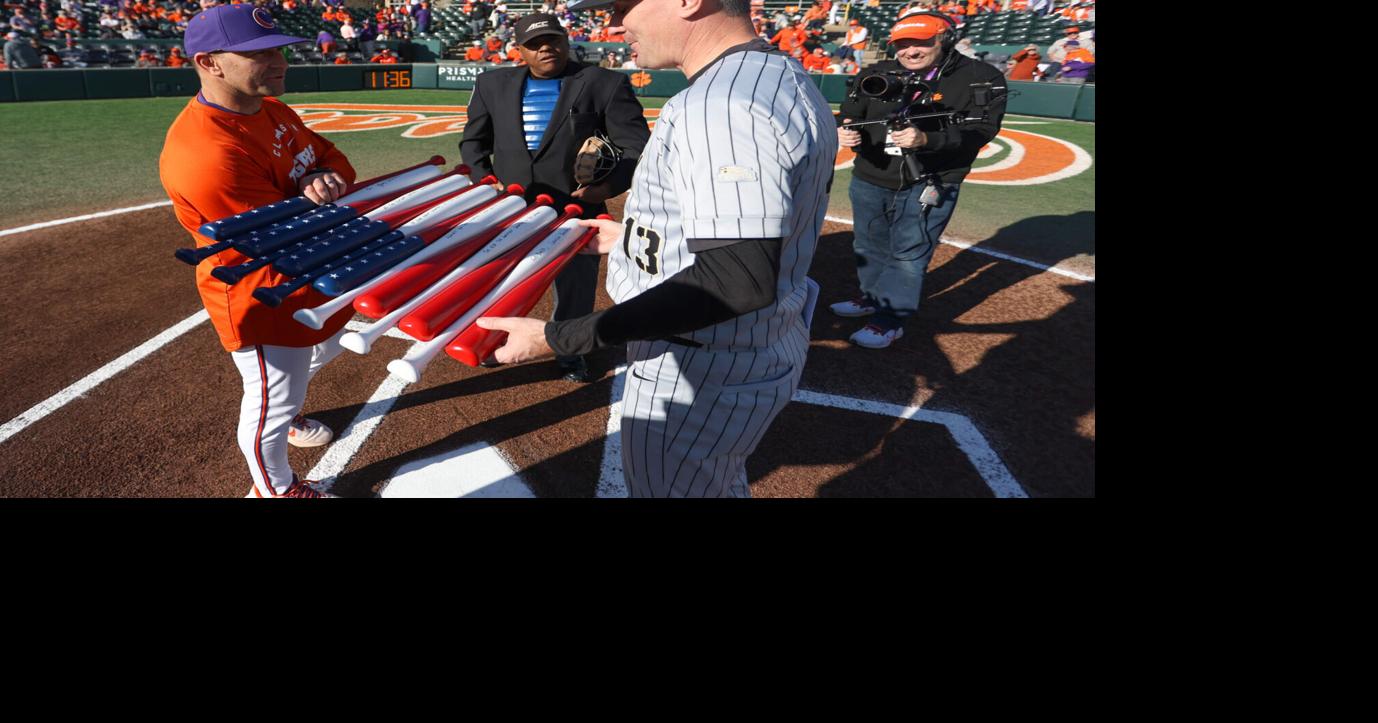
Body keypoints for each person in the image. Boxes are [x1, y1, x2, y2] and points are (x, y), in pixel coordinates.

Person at [476, 0, 837, 498]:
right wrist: (627, 238)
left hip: (698, 359)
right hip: (735, 346)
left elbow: (736, 280)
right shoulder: (771, 75)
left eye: (625, 5)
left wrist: (560, 338)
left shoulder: (721, 104)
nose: (617, 23)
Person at [159, 4, 357, 499]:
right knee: (272, 400)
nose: (279, 62)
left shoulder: (270, 107)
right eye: (258, 53)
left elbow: (333, 158)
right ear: (209, 62)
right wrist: (319, 190)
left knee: (326, 345)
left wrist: (322, 176)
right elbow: (279, 238)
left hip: (309, 268)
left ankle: (288, 416)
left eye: (278, 50)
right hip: (260, 288)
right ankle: (277, 490)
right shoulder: (206, 152)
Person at [459, 12, 650, 383]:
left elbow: (635, 146)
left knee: (576, 287)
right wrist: (485, 181)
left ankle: (569, 350)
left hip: (578, 206)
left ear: (566, 40)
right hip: (511, 207)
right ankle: (492, 339)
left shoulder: (604, 83)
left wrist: (604, 188)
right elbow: (473, 142)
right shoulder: (491, 84)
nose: (546, 47)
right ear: (519, 51)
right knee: (502, 281)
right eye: (534, 43)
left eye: (553, 39)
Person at [830, 11, 1005, 348]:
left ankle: (889, 320)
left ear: (945, 39)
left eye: (921, 42)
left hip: (931, 179)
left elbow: (981, 130)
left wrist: (928, 140)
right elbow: (852, 110)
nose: (910, 50)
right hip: (870, 174)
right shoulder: (876, 71)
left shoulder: (982, 76)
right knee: (868, 243)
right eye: (902, 44)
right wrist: (846, 128)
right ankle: (871, 297)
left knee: (908, 252)